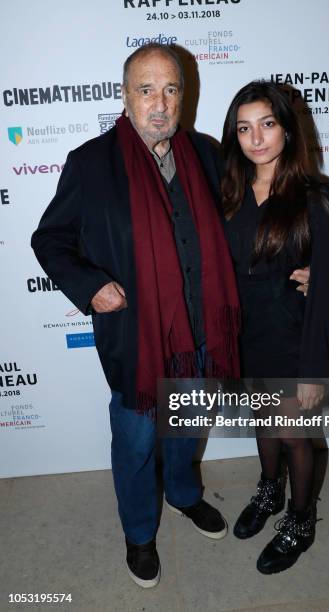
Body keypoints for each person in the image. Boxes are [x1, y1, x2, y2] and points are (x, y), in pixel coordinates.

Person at [31, 43, 243, 589]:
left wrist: (299, 258)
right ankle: (139, 533)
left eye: (171, 89)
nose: (159, 102)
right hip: (138, 340)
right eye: (146, 89)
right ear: (124, 97)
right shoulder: (90, 164)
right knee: (135, 441)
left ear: (183, 96)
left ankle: (183, 494)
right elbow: (50, 239)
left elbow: (243, 226)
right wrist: (91, 285)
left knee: (187, 427)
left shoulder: (206, 154)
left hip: (200, 334)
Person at [221, 81, 329, 574]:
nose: (257, 138)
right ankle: (269, 491)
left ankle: (300, 519)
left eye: (267, 124)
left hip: (292, 341)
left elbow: (326, 292)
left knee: (293, 434)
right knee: (263, 424)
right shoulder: (227, 193)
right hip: (245, 340)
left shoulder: (316, 198)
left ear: (288, 131)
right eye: (244, 128)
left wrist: (313, 371)